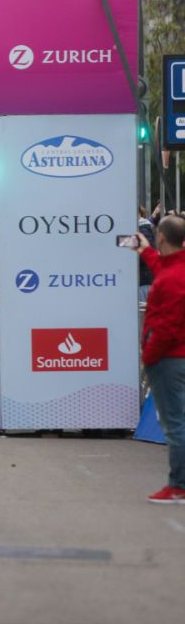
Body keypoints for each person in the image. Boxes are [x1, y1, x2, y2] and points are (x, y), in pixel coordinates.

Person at [136, 215, 185, 504]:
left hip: (168, 358)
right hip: (172, 355)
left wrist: (149, 357)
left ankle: (178, 485)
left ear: (162, 238)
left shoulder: (171, 280)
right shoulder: (174, 269)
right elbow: (162, 267)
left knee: (175, 424)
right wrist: (144, 250)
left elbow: (167, 327)